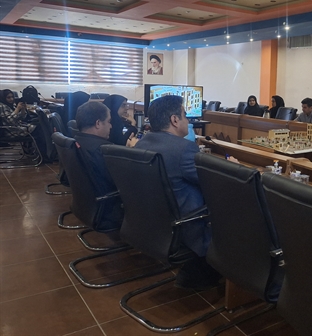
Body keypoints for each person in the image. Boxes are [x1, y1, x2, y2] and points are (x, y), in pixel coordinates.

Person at [135, 95, 221, 289]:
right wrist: (231, 168)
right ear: (175, 120)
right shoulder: (185, 149)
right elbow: (214, 183)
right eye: (185, 115)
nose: (188, 121)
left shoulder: (142, 143)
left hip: (154, 223)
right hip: (186, 227)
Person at [74, 101, 123, 230]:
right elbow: (123, 183)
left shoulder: (75, 142)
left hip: (86, 206)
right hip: (109, 211)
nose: (111, 126)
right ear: (98, 123)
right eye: (109, 121)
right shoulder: (104, 151)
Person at [0, 89, 48, 157]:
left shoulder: (9, 105)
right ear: (3, 98)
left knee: (39, 124)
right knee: (40, 129)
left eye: (12, 97)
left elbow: (21, 118)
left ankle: (37, 151)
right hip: (11, 130)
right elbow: (10, 121)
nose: (11, 99)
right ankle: (43, 154)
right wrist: (17, 109)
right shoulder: (2, 106)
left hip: (17, 127)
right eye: (8, 97)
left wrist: (23, 109)